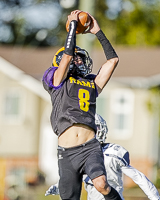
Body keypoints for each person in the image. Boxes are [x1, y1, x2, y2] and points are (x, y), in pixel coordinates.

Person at [42, 9, 121, 200]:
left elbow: (113, 60)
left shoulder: (90, 83)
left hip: (90, 146)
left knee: (101, 184)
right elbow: (67, 56)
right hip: (67, 152)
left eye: (81, 58)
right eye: (76, 58)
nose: (79, 60)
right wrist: (73, 27)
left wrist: (98, 32)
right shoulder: (57, 79)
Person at [45, 114, 160, 200]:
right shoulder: (80, 154)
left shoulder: (113, 153)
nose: (94, 132)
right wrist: (59, 186)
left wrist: (154, 197)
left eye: (96, 128)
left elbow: (139, 178)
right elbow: (76, 178)